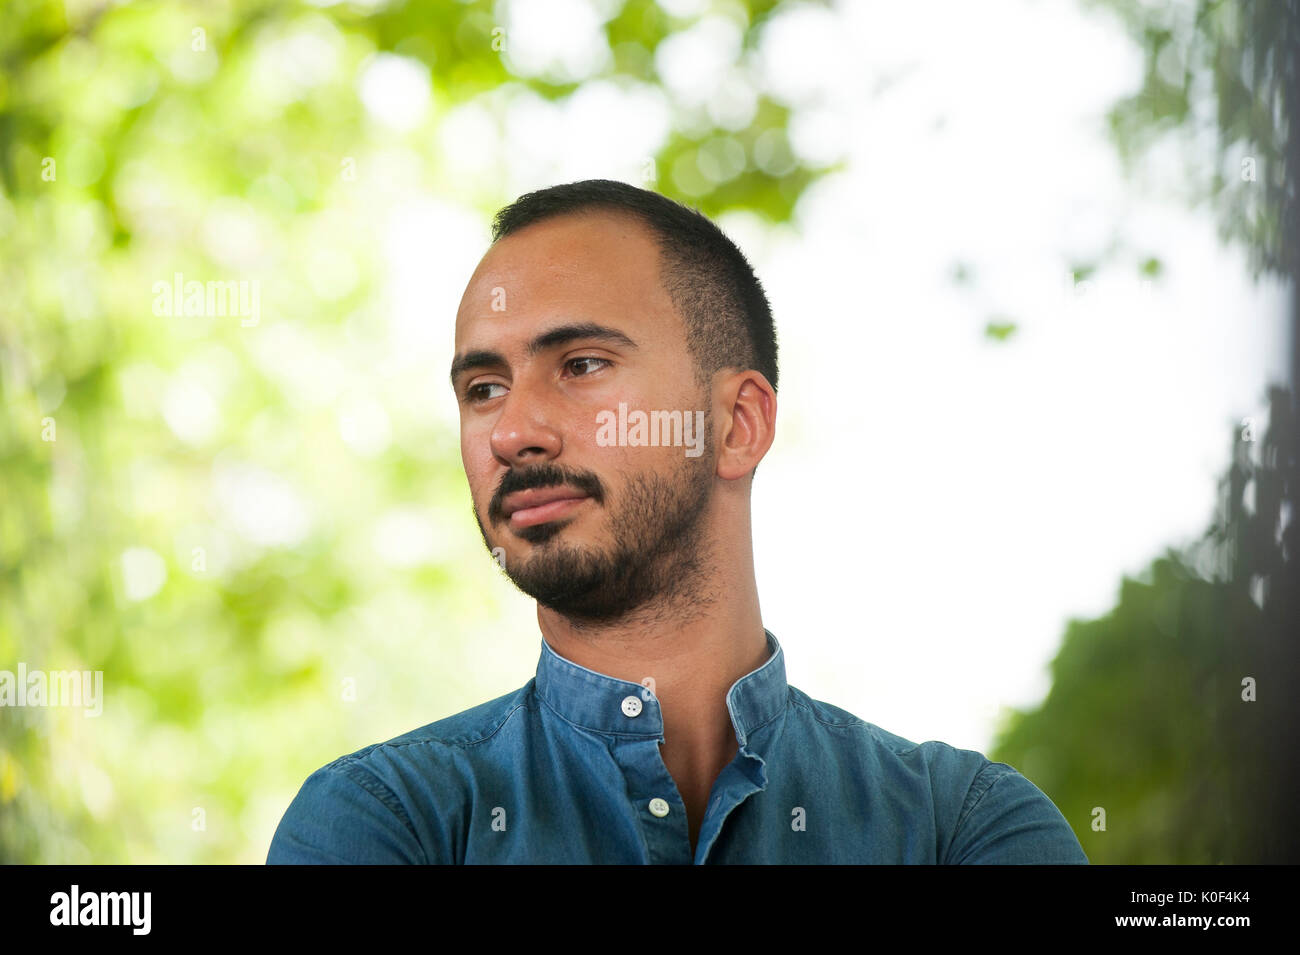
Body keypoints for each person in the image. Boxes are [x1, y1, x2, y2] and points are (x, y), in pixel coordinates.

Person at [266, 179, 1088, 864]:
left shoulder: (965, 830)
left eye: (581, 365)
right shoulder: (384, 822)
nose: (513, 430)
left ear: (736, 425)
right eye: (483, 387)